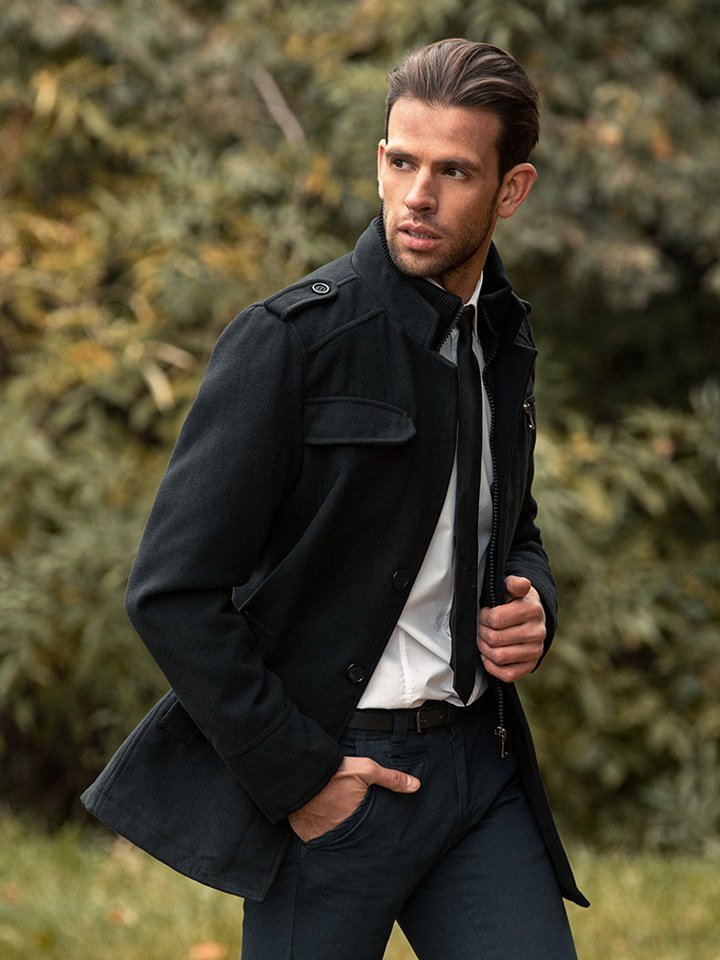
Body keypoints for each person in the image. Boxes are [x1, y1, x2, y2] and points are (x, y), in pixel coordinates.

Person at [82, 37, 588, 960]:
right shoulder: (290, 341)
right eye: (402, 162)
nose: (417, 196)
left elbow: (511, 524)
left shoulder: (503, 338)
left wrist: (532, 600)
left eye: (453, 172)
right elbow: (171, 593)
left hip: (479, 771)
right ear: (380, 159)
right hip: (340, 780)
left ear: (511, 189)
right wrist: (298, 776)